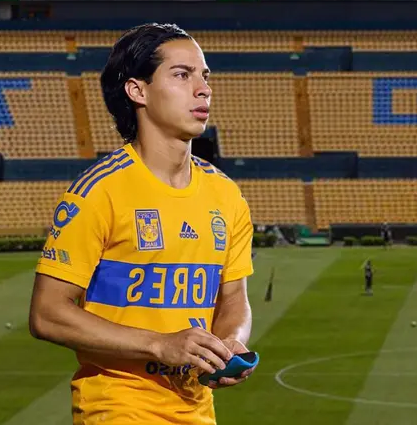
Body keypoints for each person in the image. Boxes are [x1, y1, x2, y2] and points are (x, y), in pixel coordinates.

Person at [28, 23, 256, 424]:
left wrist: (229, 344)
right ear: (138, 91)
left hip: (196, 409)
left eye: (205, 76)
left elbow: (234, 297)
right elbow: (46, 314)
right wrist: (158, 344)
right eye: (182, 75)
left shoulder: (226, 195)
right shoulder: (100, 191)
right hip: (118, 406)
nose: (203, 89)